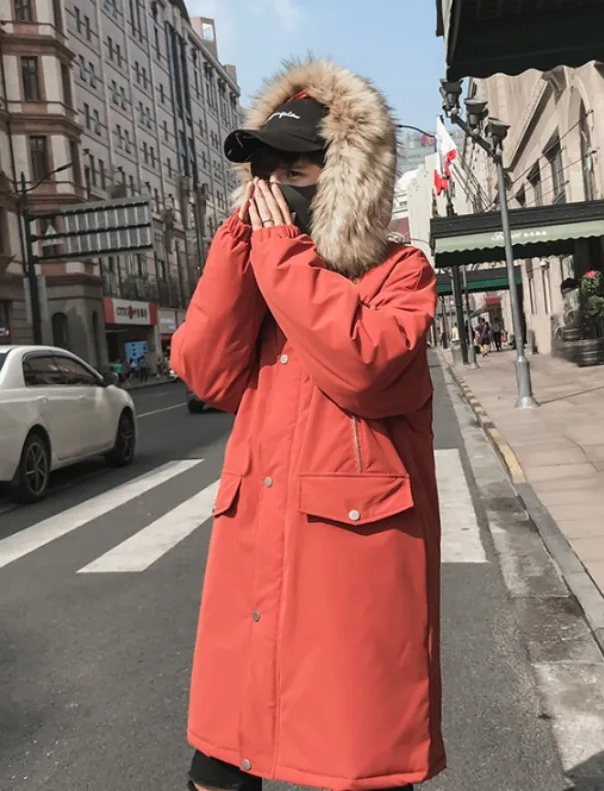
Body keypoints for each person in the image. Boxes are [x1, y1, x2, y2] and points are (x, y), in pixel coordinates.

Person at [171, 58, 445, 791]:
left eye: (297, 168)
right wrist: (238, 249)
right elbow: (203, 371)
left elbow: (362, 365)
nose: (276, 186)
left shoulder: (401, 273)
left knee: (357, 760)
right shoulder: (261, 264)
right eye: (265, 171)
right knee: (221, 763)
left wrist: (279, 256)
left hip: (349, 571)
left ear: (349, 177)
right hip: (253, 562)